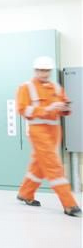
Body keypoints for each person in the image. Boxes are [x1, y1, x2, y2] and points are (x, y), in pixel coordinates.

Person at [16, 56, 81, 217]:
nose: (44, 73)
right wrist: (47, 109)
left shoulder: (57, 88)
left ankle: (25, 193)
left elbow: (65, 106)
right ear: (35, 70)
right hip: (38, 131)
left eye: (46, 70)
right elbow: (23, 109)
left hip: (54, 131)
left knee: (39, 165)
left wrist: (64, 108)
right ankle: (69, 204)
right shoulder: (26, 87)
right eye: (41, 70)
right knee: (53, 165)